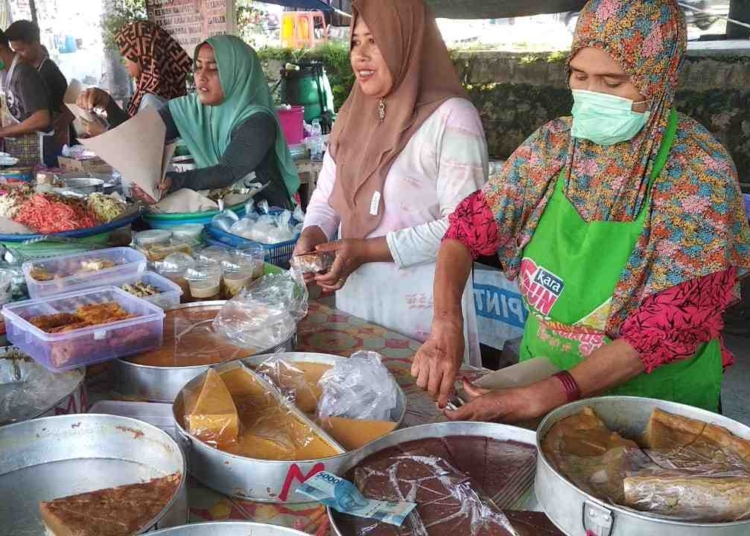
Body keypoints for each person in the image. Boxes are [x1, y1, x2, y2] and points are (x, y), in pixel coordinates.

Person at [413, 0, 750, 416]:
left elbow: (673, 319)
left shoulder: (698, 170)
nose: (592, 96)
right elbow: (467, 230)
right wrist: (447, 324)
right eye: (580, 75)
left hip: (654, 404)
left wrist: (542, 396)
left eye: (614, 82)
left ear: (659, 79)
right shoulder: (553, 145)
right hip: (542, 368)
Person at [292, 0, 488, 366]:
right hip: (357, 303)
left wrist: (366, 250)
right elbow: (326, 199)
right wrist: (313, 235)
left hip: (424, 310)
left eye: (375, 41)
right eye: (355, 42)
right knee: (363, 410)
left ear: (407, 42)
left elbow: (464, 228)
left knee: (424, 413)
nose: (360, 56)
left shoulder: (452, 119)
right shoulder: (352, 116)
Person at [77, 21, 192, 126]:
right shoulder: (155, 92)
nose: (124, 61)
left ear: (144, 55)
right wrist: (107, 103)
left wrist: (101, 131)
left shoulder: (152, 101)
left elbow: (138, 143)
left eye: (127, 54)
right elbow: (131, 127)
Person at [5, 20, 72, 163]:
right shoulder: (30, 68)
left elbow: (68, 109)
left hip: (54, 140)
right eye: (14, 50)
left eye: (21, 50)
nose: (18, 55)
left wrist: (59, 130)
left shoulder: (48, 72)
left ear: (36, 43)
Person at [0, 28, 52, 166]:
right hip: (19, 154)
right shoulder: (5, 72)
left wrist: (4, 131)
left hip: (39, 155)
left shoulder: (24, 74)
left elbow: (42, 118)